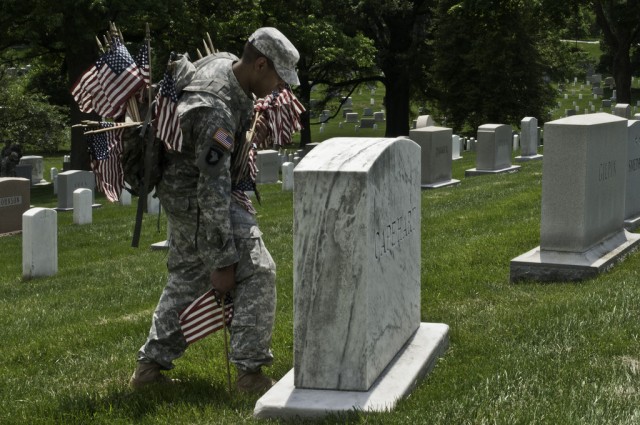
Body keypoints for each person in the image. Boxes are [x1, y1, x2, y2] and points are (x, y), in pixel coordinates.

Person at [130, 27, 300, 393]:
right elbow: (212, 187)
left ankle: (148, 370)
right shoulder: (216, 112)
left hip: (185, 193)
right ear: (259, 64)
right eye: (278, 77)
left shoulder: (227, 65)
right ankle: (250, 374)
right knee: (257, 270)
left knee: (188, 278)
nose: (280, 88)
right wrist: (224, 261)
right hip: (195, 197)